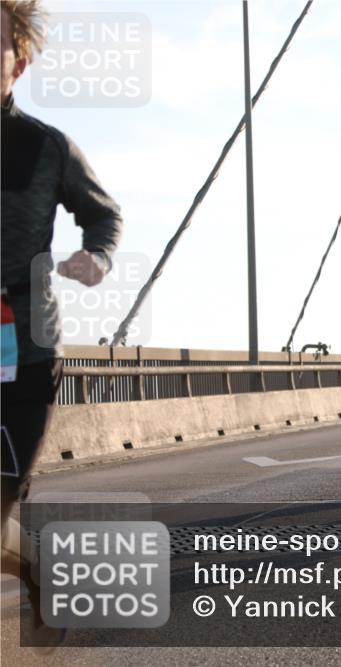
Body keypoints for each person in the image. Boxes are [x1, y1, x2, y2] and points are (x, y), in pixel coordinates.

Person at [1, 0, 124, 649]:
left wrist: (96, 257)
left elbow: (104, 215)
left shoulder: (46, 147)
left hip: (25, 346)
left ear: (18, 64)